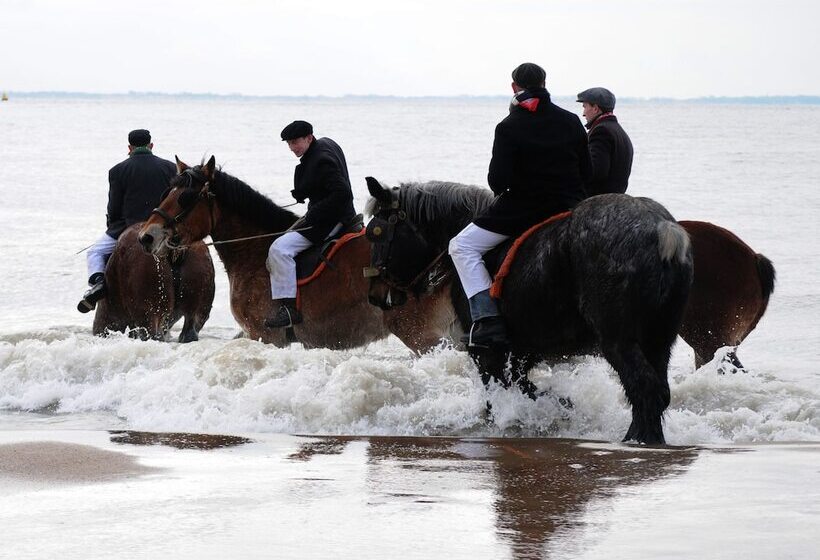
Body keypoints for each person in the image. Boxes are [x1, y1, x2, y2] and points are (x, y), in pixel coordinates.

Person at [448, 63, 591, 347]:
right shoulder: (571, 121)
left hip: (524, 210)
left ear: (514, 87)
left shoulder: (509, 126)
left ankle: (487, 320)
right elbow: (587, 172)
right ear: (544, 82)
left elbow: (498, 181)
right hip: (569, 209)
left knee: (461, 246)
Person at [264, 120, 357, 329]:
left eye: (295, 142)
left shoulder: (321, 159)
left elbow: (343, 193)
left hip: (332, 220)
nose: (292, 147)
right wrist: (305, 192)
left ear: (308, 137)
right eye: (288, 143)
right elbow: (323, 182)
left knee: (279, 249)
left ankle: (288, 309)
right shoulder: (325, 144)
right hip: (333, 214)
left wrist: (315, 212)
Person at [78, 129, 176, 313]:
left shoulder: (118, 170)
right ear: (151, 145)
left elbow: (114, 206)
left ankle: (99, 285)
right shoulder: (170, 167)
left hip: (129, 225)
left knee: (95, 253)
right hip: (164, 229)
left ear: (129, 147)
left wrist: (112, 227)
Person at [576, 87, 633, 196]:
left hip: (598, 200)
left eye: (585, 107)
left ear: (596, 108)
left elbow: (596, 172)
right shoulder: (618, 130)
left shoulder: (601, 131)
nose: (583, 113)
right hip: (616, 197)